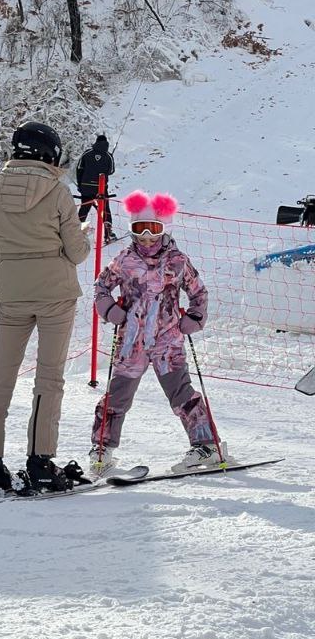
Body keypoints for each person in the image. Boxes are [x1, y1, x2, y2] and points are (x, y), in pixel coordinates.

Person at [0, 121, 91, 498]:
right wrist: (79, 234)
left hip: (11, 292)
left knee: (0, 376)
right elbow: (78, 252)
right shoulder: (57, 193)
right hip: (55, 292)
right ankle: (40, 462)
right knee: (49, 377)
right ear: (49, 154)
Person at [90, 191, 220, 475]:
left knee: (181, 392)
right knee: (118, 395)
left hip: (168, 341)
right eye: (140, 230)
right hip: (131, 342)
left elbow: (198, 292)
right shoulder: (123, 260)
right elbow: (101, 287)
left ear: (164, 229)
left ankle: (206, 445)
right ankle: (102, 448)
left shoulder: (177, 261)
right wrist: (110, 310)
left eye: (154, 230)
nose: (147, 237)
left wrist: (194, 318)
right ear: (132, 230)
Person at [76, 133, 115, 241]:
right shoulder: (108, 156)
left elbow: (79, 169)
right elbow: (111, 171)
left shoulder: (87, 153)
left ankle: (77, 232)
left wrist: (80, 184)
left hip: (86, 187)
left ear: (96, 142)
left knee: (84, 209)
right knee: (105, 210)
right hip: (101, 188)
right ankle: (108, 234)